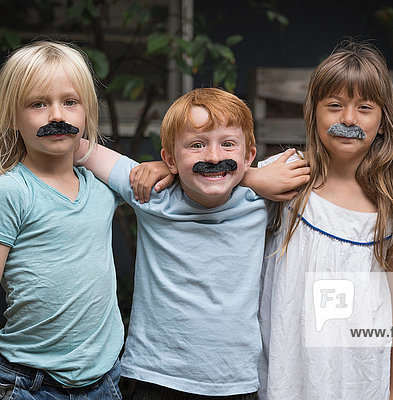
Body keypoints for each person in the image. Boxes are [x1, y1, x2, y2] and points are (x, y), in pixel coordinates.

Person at [76, 87, 309, 400]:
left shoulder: (260, 195)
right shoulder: (151, 193)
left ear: (249, 155)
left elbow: (322, 158)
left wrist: (249, 176)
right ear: (170, 158)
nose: (213, 157)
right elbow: (80, 149)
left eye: (228, 144)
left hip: (235, 383)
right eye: (197, 145)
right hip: (156, 380)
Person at [257, 40, 393, 400]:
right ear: (313, 113)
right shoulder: (285, 178)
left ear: (382, 121)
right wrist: (245, 177)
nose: (348, 119)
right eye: (334, 106)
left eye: (364, 108)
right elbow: (212, 189)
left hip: (359, 381)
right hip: (286, 375)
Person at [0, 41, 124, 400]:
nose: (56, 116)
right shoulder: (9, 193)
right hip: (28, 384)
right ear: (13, 118)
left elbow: (164, 179)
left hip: (104, 381)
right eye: (38, 104)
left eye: (70, 102)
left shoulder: (102, 187)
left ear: (87, 112)